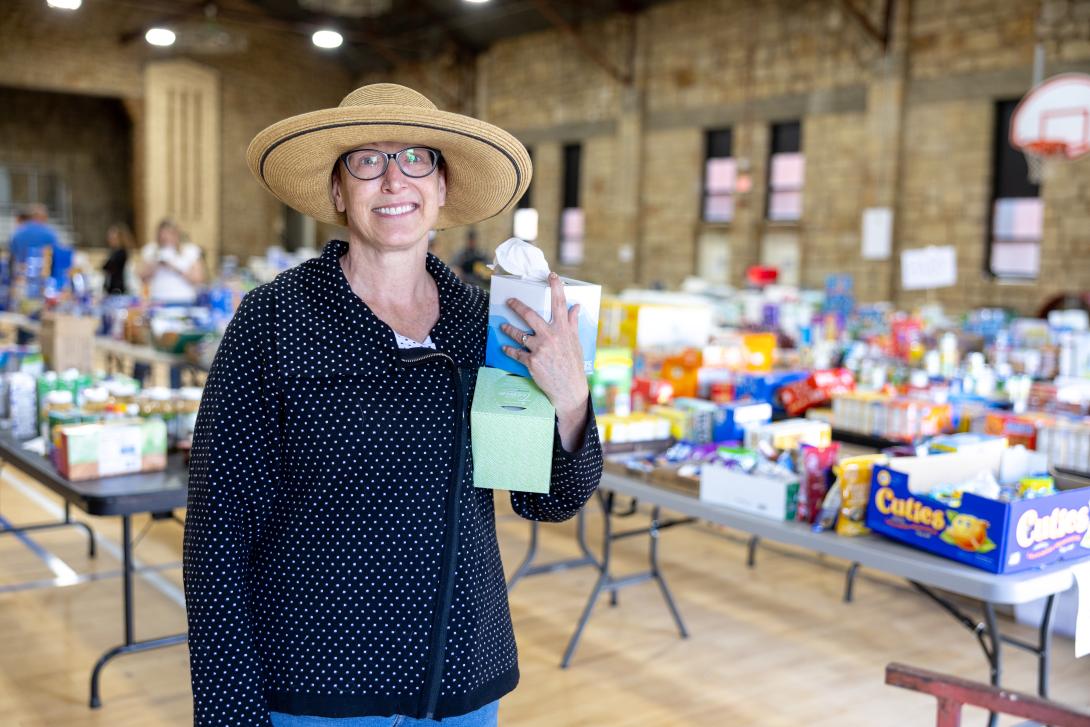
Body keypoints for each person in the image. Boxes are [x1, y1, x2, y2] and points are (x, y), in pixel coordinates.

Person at [183, 83, 603, 727]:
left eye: (415, 158)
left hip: (459, 676)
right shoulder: (275, 319)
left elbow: (543, 499)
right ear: (336, 191)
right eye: (366, 161)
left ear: (441, 188)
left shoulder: (484, 324)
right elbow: (217, 531)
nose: (392, 180)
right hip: (318, 682)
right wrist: (228, 710)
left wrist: (571, 397)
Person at [138, 218, 205, 304]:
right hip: (157, 301)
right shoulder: (151, 250)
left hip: (184, 300)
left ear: (177, 235)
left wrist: (174, 266)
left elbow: (198, 279)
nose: (166, 237)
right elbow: (141, 277)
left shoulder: (190, 250)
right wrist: (156, 263)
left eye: (169, 234)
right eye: (163, 235)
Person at [102, 222, 134, 295]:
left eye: (113, 238)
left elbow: (108, 266)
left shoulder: (121, 252)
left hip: (118, 288)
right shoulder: (112, 252)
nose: (110, 240)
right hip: (111, 287)